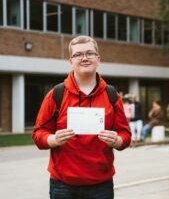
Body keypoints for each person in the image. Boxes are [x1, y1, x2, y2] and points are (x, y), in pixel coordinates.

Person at [32, 36, 131, 199]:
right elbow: (38, 134)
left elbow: (125, 134)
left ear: (98, 59)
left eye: (90, 53)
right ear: (71, 61)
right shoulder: (56, 94)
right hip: (62, 185)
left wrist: (118, 141)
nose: (84, 58)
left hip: (101, 185)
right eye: (78, 55)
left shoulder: (111, 95)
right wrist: (53, 139)